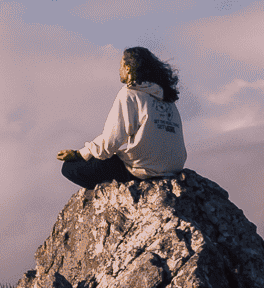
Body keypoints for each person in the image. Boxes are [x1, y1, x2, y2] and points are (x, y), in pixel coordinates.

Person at [57, 46, 186, 190]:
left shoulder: (130, 94)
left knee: (70, 168)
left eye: (121, 66)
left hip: (144, 170)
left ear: (129, 68)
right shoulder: (167, 98)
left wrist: (79, 154)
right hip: (174, 168)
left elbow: (109, 143)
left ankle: (113, 196)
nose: (119, 70)